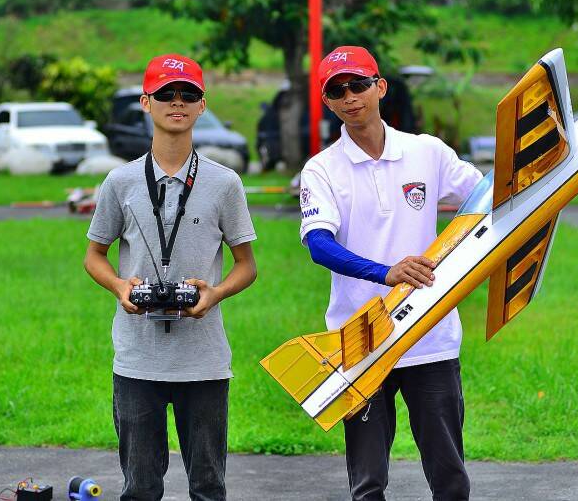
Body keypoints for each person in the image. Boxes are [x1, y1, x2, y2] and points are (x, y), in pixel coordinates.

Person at [299, 46, 483, 501]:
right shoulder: (322, 169)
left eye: (358, 85)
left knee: (450, 478)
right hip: (360, 340)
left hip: (430, 336)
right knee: (368, 485)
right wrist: (387, 273)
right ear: (327, 101)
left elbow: (486, 197)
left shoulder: (426, 152)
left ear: (380, 87)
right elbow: (318, 245)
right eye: (336, 90)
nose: (350, 97)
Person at [84, 53, 258, 501]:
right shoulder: (119, 182)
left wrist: (215, 293)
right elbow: (95, 256)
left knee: (208, 486)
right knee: (140, 486)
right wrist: (121, 286)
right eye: (166, 94)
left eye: (188, 94)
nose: (176, 102)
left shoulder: (224, 183)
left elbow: (247, 265)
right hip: (138, 357)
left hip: (203, 361)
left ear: (203, 106)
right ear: (146, 102)